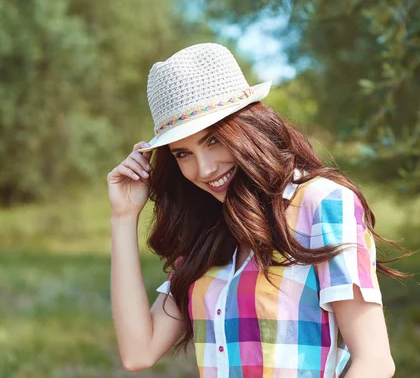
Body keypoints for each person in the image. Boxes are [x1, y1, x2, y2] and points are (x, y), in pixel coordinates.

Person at [107, 43, 405, 378]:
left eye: (213, 140)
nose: (203, 169)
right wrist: (123, 217)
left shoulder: (321, 203)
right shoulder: (206, 232)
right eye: (182, 154)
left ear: (249, 127)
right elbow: (137, 353)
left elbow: (375, 361)